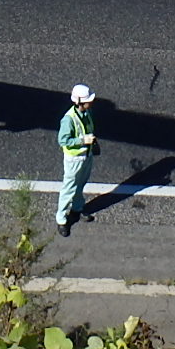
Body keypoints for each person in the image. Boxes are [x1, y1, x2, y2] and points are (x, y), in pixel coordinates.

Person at [55, 82, 98, 236]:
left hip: (86, 156)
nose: (91, 102)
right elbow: (63, 140)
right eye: (88, 100)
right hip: (74, 160)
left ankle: (77, 208)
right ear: (79, 101)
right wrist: (82, 141)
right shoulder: (68, 119)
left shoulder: (87, 113)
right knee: (69, 188)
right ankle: (61, 219)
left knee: (81, 184)